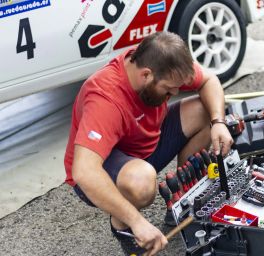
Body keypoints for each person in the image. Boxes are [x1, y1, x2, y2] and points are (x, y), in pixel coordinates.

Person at [64, 31, 233, 256]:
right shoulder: (105, 98)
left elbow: (209, 80)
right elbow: (84, 172)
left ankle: (182, 201)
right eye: (169, 89)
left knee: (205, 111)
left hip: (145, 146)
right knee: (141, 181)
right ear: (146, 75)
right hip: (105, 167)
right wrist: (137, 222)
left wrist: (218, 122)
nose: (175, 92)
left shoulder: (164, 65)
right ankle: (121, 226)